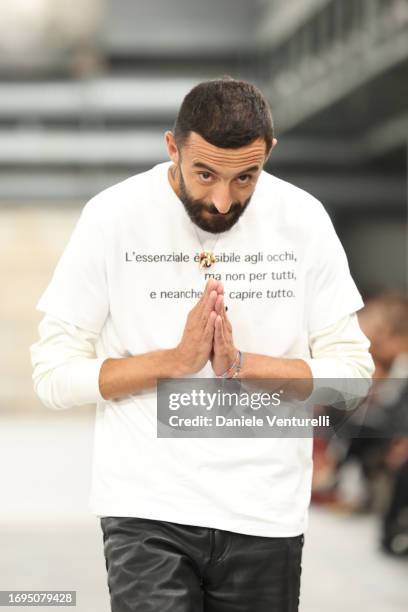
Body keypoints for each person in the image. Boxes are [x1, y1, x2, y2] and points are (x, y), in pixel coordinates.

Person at [30, 78, 374, 612]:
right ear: (173, 147)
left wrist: (242, 364)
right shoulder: (112, 216)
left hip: (266, 512)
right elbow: (53, 375)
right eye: (205, 173)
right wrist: (174, 362)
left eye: (246, 178)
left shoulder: (303, 220)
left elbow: (353, 377)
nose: (221, 200)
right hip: (146, 510)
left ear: (269, 154)